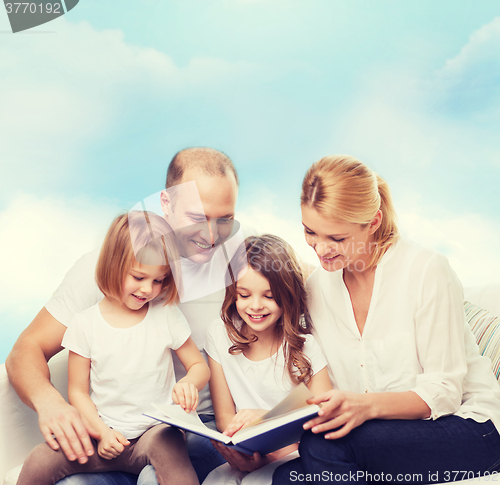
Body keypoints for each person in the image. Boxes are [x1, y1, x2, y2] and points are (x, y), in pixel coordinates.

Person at [6, 147, 238, 485]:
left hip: (191, 428)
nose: (212, 236)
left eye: (225, 219)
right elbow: (25, 350)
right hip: (110, 431)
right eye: (198, 218)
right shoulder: (106, 268)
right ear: (167, 204)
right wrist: (51, 403)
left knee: (156, 473)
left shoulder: (239, 269)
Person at [272, 155, 500, 484]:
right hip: (388, 436)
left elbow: (444, 392)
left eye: (337, 239)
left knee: (321, 447)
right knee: (287, 477)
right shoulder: (317, 289)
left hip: (471, 428)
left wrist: (365, 406)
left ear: (374, 221)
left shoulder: (426, 269)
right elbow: (324, 383)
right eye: (310, 232)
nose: (321, 250)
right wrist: (265, 433)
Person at [16, 211, 210, 485]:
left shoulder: (166, 314)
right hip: (103, 436)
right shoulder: (85, 324)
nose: (148, 289)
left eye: (158, 280)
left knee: (170, 446)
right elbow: (78, 392)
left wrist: (190, 382)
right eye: (139, 277)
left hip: (154, 433)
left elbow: (198, 366)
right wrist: (101, 432)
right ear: (113, 265)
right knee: (40, 459)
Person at [203, 235, 332, 484]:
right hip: (245, 454)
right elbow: (225, 418)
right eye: (244, 295)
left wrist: (265, 425)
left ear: (287, 295)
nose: (255, 306)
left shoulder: (307, 348)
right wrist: (245, 451)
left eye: (269, 296)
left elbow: (323, 418)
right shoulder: (219, 334)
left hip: (295, 456)